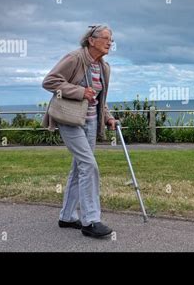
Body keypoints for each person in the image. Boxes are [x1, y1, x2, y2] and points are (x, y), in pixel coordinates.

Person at [42, 24, 117, 238]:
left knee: (79, 168)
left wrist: (109, 117)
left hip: (91, 122)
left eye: (111, 39)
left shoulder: (104, 67)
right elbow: (49, 81)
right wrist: (79, 91)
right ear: (91, 40)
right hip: (70, 120)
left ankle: (67, 216)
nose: (109, 42)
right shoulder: (75, 58)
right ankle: (91, 220)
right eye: (105, 38)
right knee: (88, 165)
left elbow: (99, 98)